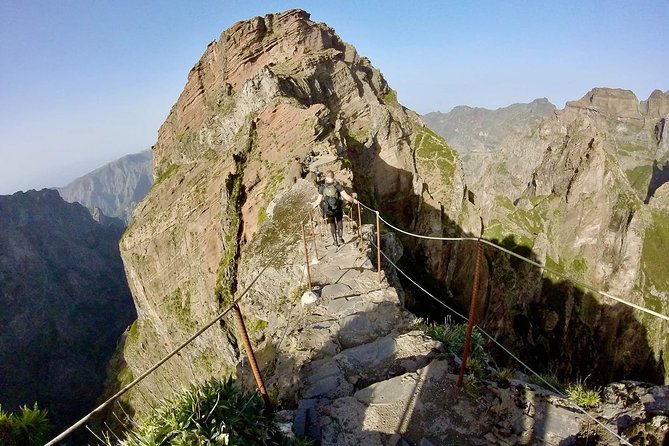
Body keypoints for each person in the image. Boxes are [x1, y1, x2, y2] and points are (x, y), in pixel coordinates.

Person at [313, 170, 358, 246]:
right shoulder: (337, 186)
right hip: (337, 208)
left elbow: (318, 200)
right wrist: (354, 200)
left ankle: (335, 241)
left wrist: (314, 205)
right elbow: (346, 196)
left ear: (326, 178)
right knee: (339, 221)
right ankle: (340, 238)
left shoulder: (322, 187)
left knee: (332, 224)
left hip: (328, 210)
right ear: (333, 177)